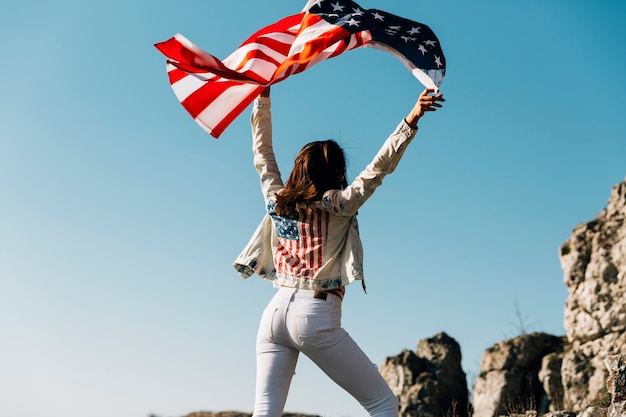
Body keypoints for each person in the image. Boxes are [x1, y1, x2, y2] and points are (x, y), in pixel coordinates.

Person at [233, 86, 444, 417]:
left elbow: (263, 154)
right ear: (337, 173)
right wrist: (412, 118)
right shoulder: (340, 205)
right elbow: (379, 168)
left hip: (273, 314)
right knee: (383, 403)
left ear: (299, 168)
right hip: (314, 315)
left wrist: (263, 97)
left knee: (265, 413)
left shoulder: (277, 201)